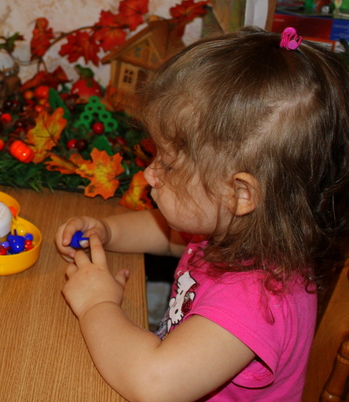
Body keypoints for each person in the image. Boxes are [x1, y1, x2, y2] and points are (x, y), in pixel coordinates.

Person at [55, 27, 349, 401]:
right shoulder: (238, 230)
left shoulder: (256, 301)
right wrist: (107, 230)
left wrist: (97, 303)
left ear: (241, 194)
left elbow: (153, 384)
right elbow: (168, 237)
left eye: (168, 164)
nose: (149, 173)